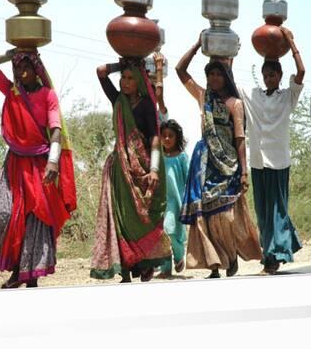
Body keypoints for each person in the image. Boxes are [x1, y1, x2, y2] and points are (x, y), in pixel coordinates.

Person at [0, 49, 77, 288]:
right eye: (17, 68)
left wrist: (54, 161)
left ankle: (27, 275)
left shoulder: (48, 95)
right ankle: (17, 270)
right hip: (14, 163)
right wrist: (14, 52)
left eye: (26, 67)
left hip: (39, 164)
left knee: (35, 218)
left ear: (37, 69)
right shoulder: (12, 92)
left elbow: (55, 129)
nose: (21, 73)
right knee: (6, 214)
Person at [176, 34, 262, 279]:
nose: (213, 79)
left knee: (225, 215)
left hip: (229, 164)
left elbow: (239, 138)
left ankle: (231, 255)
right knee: (205, 214)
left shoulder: (235, 104)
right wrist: (196, 45)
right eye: (210, 74)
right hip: (204, 163)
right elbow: (180, 70)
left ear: (226, 77)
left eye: (218, 74)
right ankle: (214, 263)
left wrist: (244, 171)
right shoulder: (204, 97)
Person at [90, 58, 172, 283]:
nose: (125, 83)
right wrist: (123, 63)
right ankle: (125, 269)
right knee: (122, 217)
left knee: (143, 217)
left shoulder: (146, 105)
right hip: (120, 168)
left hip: (143, 167)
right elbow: (100, 71)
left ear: (139, 82)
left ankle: (145, 263)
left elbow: (155, 136)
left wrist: (154, 169)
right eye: (123, 78)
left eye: (130, 79)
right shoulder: (117, 100)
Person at [237, 26, 304, 275]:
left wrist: (290, 41)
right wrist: (232, 51)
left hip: (279, 162)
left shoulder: (288, 97)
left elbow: (302, 71)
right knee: (264, 213)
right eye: (265, 75)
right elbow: (230, 80)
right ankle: (275, 251)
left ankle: (273, 259)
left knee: (278, 211)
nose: (268, 78)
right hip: (257, 163)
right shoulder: (252, 95)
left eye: (273, 75)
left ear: (279, 75)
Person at [156, 119, 189, 278]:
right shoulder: (158, 157)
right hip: (162, 202)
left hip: (177, 201)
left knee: (172, 232)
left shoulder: (182, 157)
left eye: (171, 136)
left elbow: (188, 179)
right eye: (164, 136)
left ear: (177, 138)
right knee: (164, 233)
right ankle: (166, 268)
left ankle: (179, 254)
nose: (167, 139)